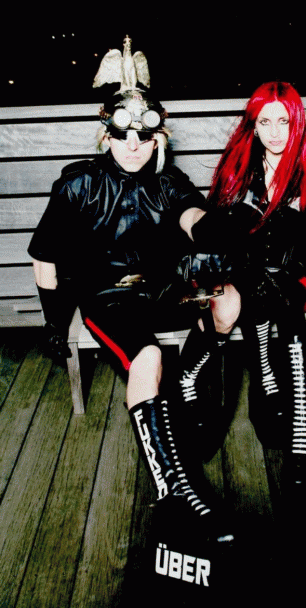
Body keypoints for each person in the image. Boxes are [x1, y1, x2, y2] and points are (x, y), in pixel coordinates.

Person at [27, 37, 239, 544]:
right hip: (109, 296)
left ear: (157, 137)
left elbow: (190, 213)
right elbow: (44, 257)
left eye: (144, 137)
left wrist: (211, 230)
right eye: (123, 136)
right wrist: (55, 321)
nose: (134, 146)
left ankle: (191, 375)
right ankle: (172, 489)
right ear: (107, 135)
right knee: (146, 358)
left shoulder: (167, 180)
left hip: (161, 289)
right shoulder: (78, 185)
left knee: (229, 298)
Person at [179, 81, 306, 510]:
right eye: (265, 122)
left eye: (284, 121)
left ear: (297, 122)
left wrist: (281, 273)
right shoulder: (238, 168)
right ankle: (259, 382)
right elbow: (217, 237)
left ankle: (302, 451)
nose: (275, 132)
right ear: (254, 124)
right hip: (244, 274)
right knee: (248, 298)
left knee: (287, 311)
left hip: (294, 275)